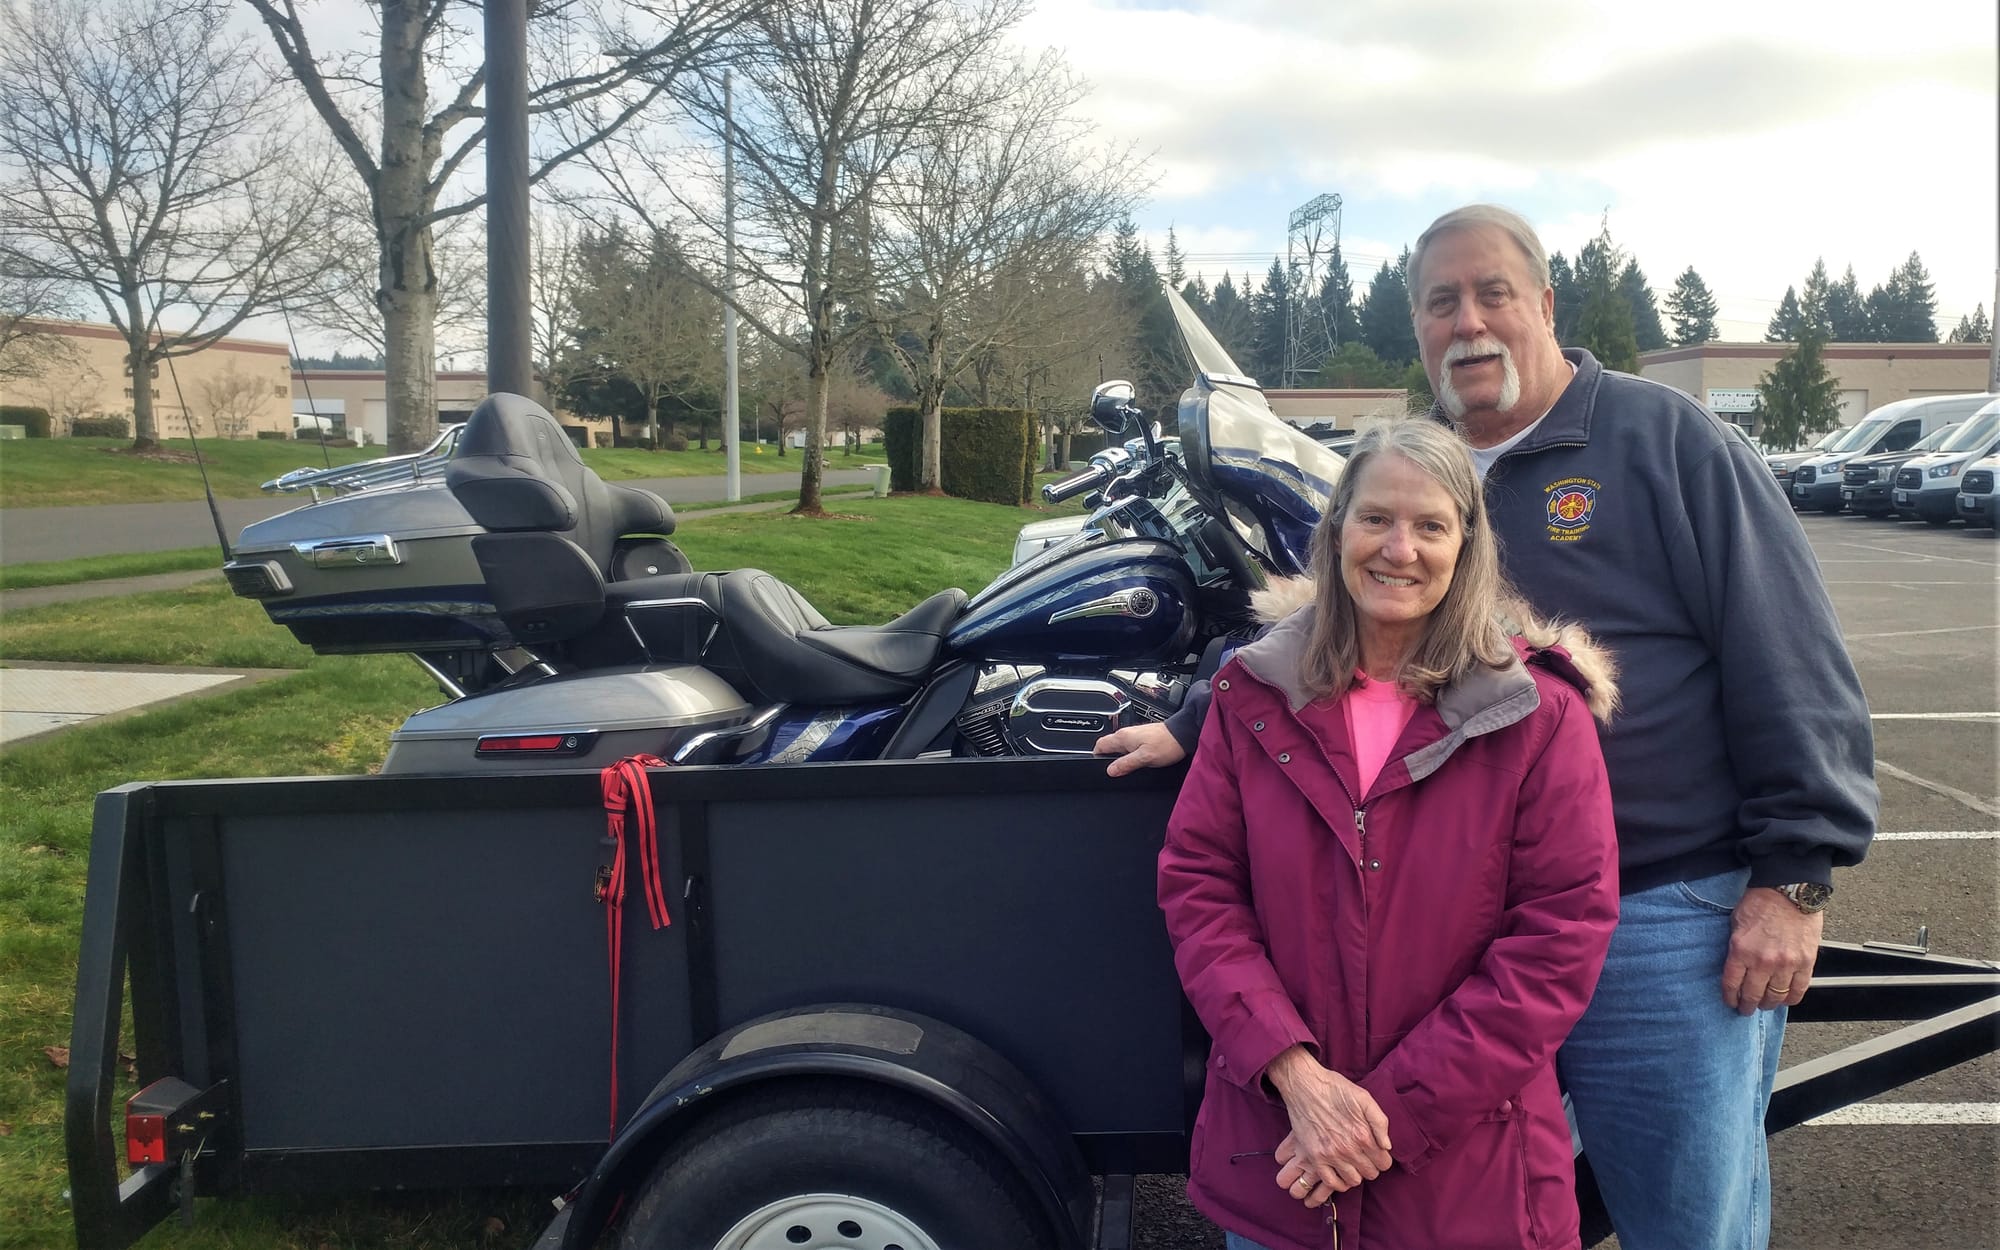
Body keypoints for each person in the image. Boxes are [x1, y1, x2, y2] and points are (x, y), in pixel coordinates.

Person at [1111, 204, 1879, 1250]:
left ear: (1544, 306)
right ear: (1418, 329)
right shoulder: (1411, 465)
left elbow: (1786, 651)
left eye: (1491, 294)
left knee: (1683, 1217)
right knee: (1487, 1205)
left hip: (1658, 914)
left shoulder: (1668, 441)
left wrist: (1794, 876)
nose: (1466, 322)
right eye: (1439, 303)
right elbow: (1321, 623)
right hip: (1454, 936)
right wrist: (1203, 720)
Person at [1158, 414, 1621, 1250]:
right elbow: (1200, 890)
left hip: (1466, 1191)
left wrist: (1376, 1124)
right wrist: (1296, 1078)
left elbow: (1558, 942)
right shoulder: (1252, 695)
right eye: (1375, 518)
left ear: (1467, 545)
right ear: (1336, 531)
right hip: (1279, 1161)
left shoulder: (1540, 718)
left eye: (1430, 525)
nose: (1398, 549)